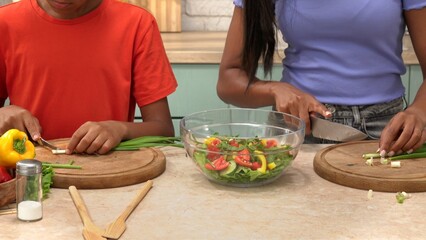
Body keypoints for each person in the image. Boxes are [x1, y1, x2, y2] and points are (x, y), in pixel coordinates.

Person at [218, 0, 426, 157]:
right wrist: (275, 89)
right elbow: (229, 79)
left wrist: (418, 112)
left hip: (386, 133)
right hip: (298, 127)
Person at [0, 0, 177, 154]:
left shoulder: (137, 24)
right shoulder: (5, 22)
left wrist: (121, 129)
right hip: (25, 171)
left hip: (108, 170)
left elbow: (163, 130)